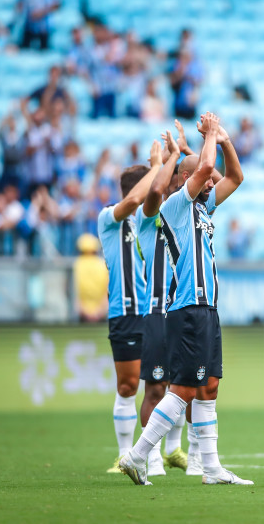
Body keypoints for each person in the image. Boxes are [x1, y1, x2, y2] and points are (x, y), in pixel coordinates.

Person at [118, 112, 249, 486]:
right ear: (189, 179)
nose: (213, 179)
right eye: (206, 177)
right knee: (184, 389)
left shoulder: (204, 208)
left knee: (209, 388)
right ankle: (138, 455)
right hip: (188, 307)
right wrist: (208, 136)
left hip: (208, 308)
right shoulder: (176, 206)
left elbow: (235, 177)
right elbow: (205, 165)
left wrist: (223, 139)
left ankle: (210, 468)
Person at [133, 123, 196, 477]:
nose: (175, 184)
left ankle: (183, 452)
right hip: (157, 311)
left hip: (185, 311)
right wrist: (170, 158)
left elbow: (212, 176)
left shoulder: (187, 214)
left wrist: (186, 150)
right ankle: (151, 457)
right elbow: (157, 188)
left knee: (188, 387)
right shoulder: (150, 216)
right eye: (173, 179)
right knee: (155, 388)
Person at [97, 142, 160, 472]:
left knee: (160, 383)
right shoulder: (109, 218)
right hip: (124, 312)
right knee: (128, 385)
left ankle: (157, 453)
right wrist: (158, 167)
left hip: (153, 312)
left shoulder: (150, 222)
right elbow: (135, 200)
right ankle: (124, 455)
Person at [72, 233, 108, 322]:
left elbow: (71, 292)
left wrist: (83, 311)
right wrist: (99, 312)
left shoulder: (75, 265)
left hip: (80, 315)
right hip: (100, 314)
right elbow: (107, 291)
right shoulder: (103, 265)